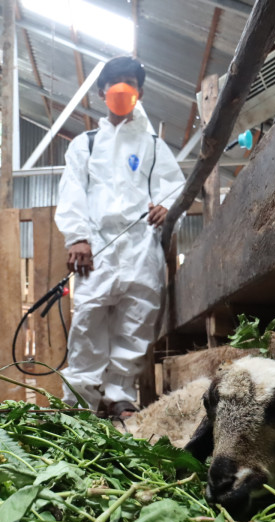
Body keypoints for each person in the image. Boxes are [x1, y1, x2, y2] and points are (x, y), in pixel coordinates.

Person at [54, 56, 185, 417]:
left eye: (131, 82)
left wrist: (168, 206)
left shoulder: (153, 144)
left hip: (141, 244)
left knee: (136, 318)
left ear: (140, 92)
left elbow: (174, 186)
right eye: (116, 82)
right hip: (96, 246)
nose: (123, 88)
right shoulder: (86, 144)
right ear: (101, 92)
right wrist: (77, 237)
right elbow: (72, 192)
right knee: (89, 318)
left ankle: (118, 396)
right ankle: (81, 399)